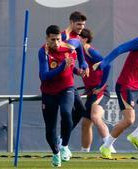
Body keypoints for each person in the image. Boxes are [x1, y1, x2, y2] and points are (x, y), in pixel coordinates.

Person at [94, 17, 138, 158]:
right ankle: (106, 146)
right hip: (125, 86)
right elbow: (120, 49)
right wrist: (104, 63)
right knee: (129, 120)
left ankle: (136, 135)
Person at [38, 25, 88, 167]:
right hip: (48, 92)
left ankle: (64, 146)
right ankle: (55, 153)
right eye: (52, 40)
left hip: (67, 88)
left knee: (66, 112)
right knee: (50, 129)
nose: (56, 43)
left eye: (58, 39)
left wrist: (83, 63)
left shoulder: (70, 45)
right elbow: (44, 76)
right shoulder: (44, 52)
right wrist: (62, 67)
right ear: (47, 39)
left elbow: (79, 45)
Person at [77, 28, 117, 154]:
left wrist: (100, 86)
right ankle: (84, 151)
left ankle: (109, 146)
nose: (74, 40)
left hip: (100, 91)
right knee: (85, 124)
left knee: (95, 116)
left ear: (84, 39)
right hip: (91, 92)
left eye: (77, 37)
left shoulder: (89, 50)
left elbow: (108, 65)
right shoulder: (80, 53)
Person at [61, 11, 92, 152]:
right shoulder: (62, 37)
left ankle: (61, 139)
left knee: (79, 110)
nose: (81, 27)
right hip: (59, 83)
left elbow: (79, 61)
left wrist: (81, 69)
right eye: (79, 24)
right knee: (66, 113)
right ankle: (61, 141)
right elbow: (60, 61)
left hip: (69, 82)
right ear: (71, 22)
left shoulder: (77, 38)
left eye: (83, 25)